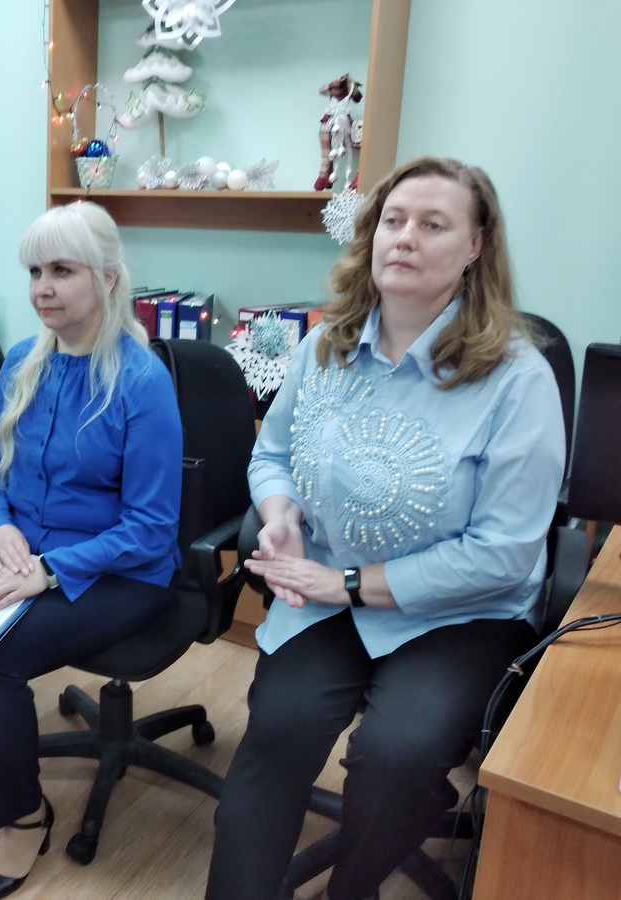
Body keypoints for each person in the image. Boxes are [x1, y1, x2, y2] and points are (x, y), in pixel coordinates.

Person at [206, 157, 565, 900]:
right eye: (393, 221)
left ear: (475, 247)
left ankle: (355, 888)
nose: (404, 237)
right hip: (325, 586)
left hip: (458, 612)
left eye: (433, 225)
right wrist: (280, 515)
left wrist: (344, 583)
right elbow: (272, 456)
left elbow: (503, 552)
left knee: (398, 756)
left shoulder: (517, 377)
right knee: (276, 733)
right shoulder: (325, 346)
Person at [0, 201, 183, 900]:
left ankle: (25, 818)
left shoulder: (142, 382)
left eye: (62, 271)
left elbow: (151, 528)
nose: (42, 288)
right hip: (21, 553)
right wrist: (0, 528)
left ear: (107, 279)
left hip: (119, 572)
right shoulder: (23, 360)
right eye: (33, 272)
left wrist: (49, 571)